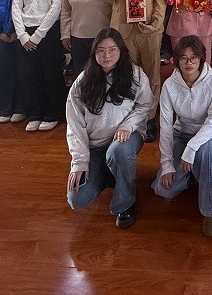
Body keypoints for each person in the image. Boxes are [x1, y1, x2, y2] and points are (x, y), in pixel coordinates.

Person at [65, 28, 153, 228]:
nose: (107, 55)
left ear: (121, 50)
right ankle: (115, 175)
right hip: (95, 146)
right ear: (94, 53)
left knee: (118, 151)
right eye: (101, 50)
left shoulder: (135, 74)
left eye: (112, 49)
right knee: (77, 199)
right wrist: (79, 161)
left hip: (125, 138)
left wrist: (128, 125)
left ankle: (126, 202)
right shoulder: (82, 82)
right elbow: (74, 125)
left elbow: (145, 104)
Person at [151, 35, 212, 236]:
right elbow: (166, 126)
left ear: (201, 58)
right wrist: (167, 164)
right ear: (176, 60)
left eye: (194, 57)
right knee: (163, 189)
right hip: (182, 132)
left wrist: (192, 148)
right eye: (183, 58)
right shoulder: (170, 85)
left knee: (206, 151)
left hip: (210, 132)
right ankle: (201, 174)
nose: (189, 63)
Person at [102, 0, 168, 141]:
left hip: (148, 26)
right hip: (121, 28)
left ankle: (149, 118)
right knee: (125, 74)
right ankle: (129, 118)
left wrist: (156, 24)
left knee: (151, 74)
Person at [12, 0, 66, 132]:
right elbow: (16, 6)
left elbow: (56, 7)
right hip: (25, 32)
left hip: (48, 31)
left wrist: (37, 35)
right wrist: (22, 35)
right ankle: (36, 113)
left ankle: (53, 113)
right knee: (30, 74)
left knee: (50, 73)